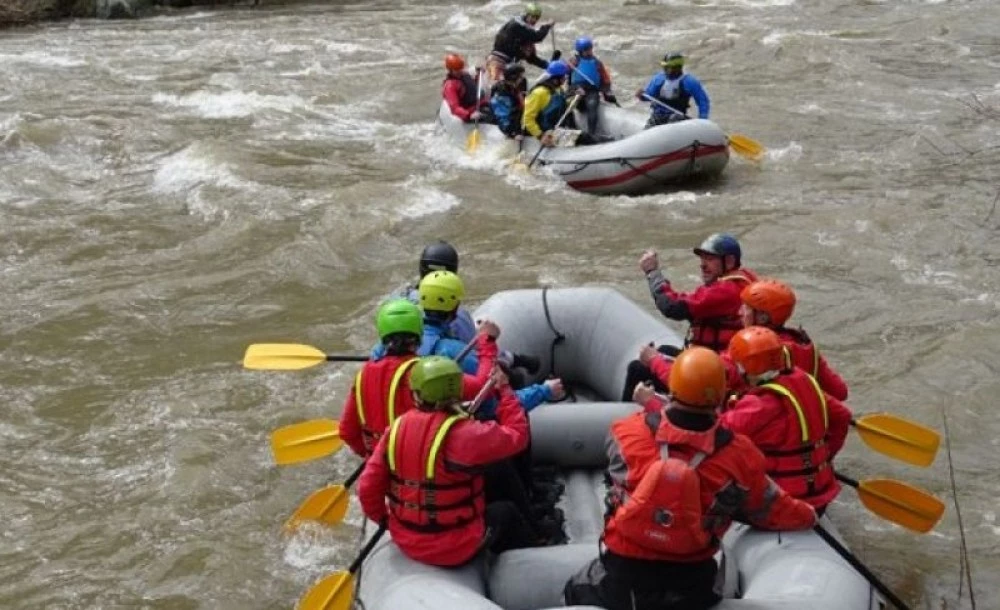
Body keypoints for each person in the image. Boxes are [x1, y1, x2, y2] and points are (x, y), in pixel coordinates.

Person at [564, 347, 817, 610]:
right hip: (692, 581)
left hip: (624, 573)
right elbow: (770, 507)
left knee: (574, 590)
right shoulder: (741, 455)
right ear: (721, 395)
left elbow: (619, 474)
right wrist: (808, 515)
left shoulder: (626, 432)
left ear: (672, 388)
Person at [357, 357, 538, 567]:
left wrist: (385, 520)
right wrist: (504, 390)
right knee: (506, 511)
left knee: (494, 473)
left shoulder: (396, 429)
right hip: (457, 546)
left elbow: (367, 487)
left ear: (417, 394)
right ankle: (537, 547)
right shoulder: (467, 434)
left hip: (405, 539)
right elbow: (518, 435)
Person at [340, 299, 500, 458]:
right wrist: (487, 342)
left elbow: (347, 432)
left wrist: (371, 456)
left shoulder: (363, 374)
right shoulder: (427, 373)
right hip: (424, 462)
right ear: (419, 333)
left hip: (382, 461)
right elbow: (483, 387)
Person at [720, 327, 852, 512]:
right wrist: (825, 455)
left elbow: (716, 432)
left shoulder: (759, 404)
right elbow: (842, 416)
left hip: (784, 501)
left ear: (744, 368)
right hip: (822, 493)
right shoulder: (805, 381)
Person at [622, 232, 757, 400]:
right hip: (712, 360)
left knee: (637, 368)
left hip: (711, 371)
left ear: (729, 261)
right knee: (664, 350)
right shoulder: (743, 279)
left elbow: (671, 306)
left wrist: (652, 272)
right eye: (702, 259)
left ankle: (629, 413)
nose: (703, 265)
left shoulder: (725, 291)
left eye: (710, 259)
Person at [739, 279, 849, 400]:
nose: (740, 312)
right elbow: (840, 392)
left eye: (746, 308)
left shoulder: (755, 350)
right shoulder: (805, 347)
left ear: (762, 318)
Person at [635, 52, 710, 128]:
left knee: (674, 119)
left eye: (667, 67)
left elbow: (703, 101)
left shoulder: (689, 82)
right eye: (664, 67)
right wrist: (641, 96)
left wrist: (702, 119)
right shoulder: (659, 78)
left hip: (677, 116)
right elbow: (649, 96)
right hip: (658, 115)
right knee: (651, 124)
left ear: (677, 68)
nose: (665, 70)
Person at [486, 2, 557, 82]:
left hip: (509, 64)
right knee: (498, 84)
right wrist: (547, 26)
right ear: (527, 14)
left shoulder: (525, 33)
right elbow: (537, 37)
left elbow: (531, 58)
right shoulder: (517, 25)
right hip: (497, 61)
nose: (534, 20)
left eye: (537, 18)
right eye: (532, 17)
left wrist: (548, 65)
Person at [566, 36, 616, 139]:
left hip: (591, 90)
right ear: (580, 51)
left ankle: (591, 134)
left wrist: (607, 92)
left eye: (590, 49)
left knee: (592, 106)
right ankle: (568, 128)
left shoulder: (597, 63)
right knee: (567, 104)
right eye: (587, 50)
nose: (590, 51)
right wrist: (568, 67)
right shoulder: (574, 61)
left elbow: (605, 79)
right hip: (576, 88)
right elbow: (563, 73)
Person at [522, 60, 571, 148]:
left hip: (556, 129)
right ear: (555, 79)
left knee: (586, 137)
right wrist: (540, 136)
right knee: (585, 138)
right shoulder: (538, 93)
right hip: (543, 132)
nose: (565, 79)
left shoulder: (558, 90)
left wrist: (574, 97)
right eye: (563, 77)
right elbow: (527, 119)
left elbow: (563, 106)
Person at [442, 53, 489, 123]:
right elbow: (455, 108)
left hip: (481, 104)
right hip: (470, 112)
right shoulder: (450, 86)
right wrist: (469, 115)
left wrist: (479, 74)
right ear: (451, 70)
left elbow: (473, 86)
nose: (460, 71)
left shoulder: (465, 74)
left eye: (461, 68)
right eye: (457, 70)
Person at [491, 63, 527, 139]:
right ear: (513, 77)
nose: (522, 79)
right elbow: (502, 116)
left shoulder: (513, 87)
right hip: (509, 128)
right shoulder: (502, 93)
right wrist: (513, 133)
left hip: (517, 121)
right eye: (520, 77)